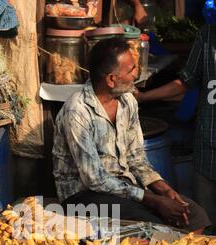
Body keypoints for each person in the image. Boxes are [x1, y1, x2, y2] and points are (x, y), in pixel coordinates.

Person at [52, 37, 210, 232]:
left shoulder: (128, 101)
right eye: (130, 70)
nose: (135, 74)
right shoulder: (77, 112)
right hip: (83, 196)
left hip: (124, 188)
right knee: (155, 227)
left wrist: (165, 190)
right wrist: (152, 200)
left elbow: (137, 159)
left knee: (193, 216)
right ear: (111, 79)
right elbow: (95, 180)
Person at [136, 23, 216, 233]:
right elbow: (185, 81)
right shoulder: (207, 34)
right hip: (208, 146)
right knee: (204, 226)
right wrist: (144, 97)